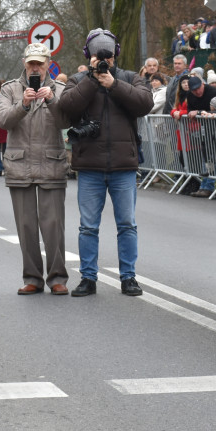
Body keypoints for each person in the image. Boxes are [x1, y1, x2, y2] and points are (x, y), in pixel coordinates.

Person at [57, 28, 153, 297]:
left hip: (123, 166)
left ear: (115, 55)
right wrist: (91, 80)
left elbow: (145, 103)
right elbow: (67, 107)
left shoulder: (130, 78)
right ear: (88, 56)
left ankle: (128, 277)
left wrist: (114, 84)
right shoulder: (77, 80)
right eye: (99, 57)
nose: (104, 61)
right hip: (90, 166)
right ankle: (88, 278)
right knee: (88, 227)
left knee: (127, 225)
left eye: (108, 56)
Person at [0, 43, 70, 295]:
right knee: (26, 227)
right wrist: (23, 104)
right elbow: (1, 120)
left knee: (53, 226)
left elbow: (67, 121)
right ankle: (32, 278)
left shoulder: (61, 89)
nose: (35, 68)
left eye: (40, 63)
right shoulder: (10, 89)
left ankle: (57, 277)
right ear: (24, 63)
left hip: (51, 163)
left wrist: (52, 100)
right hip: (20, 165)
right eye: (31, 63)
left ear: (49, 63)